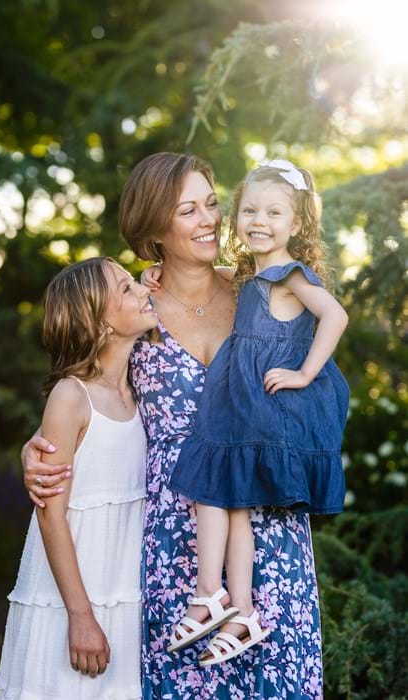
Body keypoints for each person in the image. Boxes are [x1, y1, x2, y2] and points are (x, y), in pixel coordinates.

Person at [22, 153, 324, 699]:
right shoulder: (133, 308)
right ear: (154, 230)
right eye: (188, 210)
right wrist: (38, 449)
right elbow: (90, 392)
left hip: (268, 523)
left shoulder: (264, 292)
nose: (209, 220)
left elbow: (312, 383)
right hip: (177, 541)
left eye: (212, 203)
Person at [162, 159, 349, 665]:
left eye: (273, 212)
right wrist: (155, 273)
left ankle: (209, 592)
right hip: (240, 405)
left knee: (210, 488)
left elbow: (335, 315)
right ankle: (241, 611)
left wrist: (305, 372)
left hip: (259, 409)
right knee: (233, 505)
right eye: (249, 210)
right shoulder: (253, 274)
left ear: (298, 223)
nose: (258, 221)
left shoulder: (290, 274)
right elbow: (219, 278)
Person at [0, 257, 158, 699]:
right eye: (126, 288)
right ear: (99, 322)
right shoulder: (71, 396)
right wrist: (80, 616)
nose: (143, 290)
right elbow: (51, 514)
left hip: (125, 587)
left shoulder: (143, 386)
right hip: (72, 593)